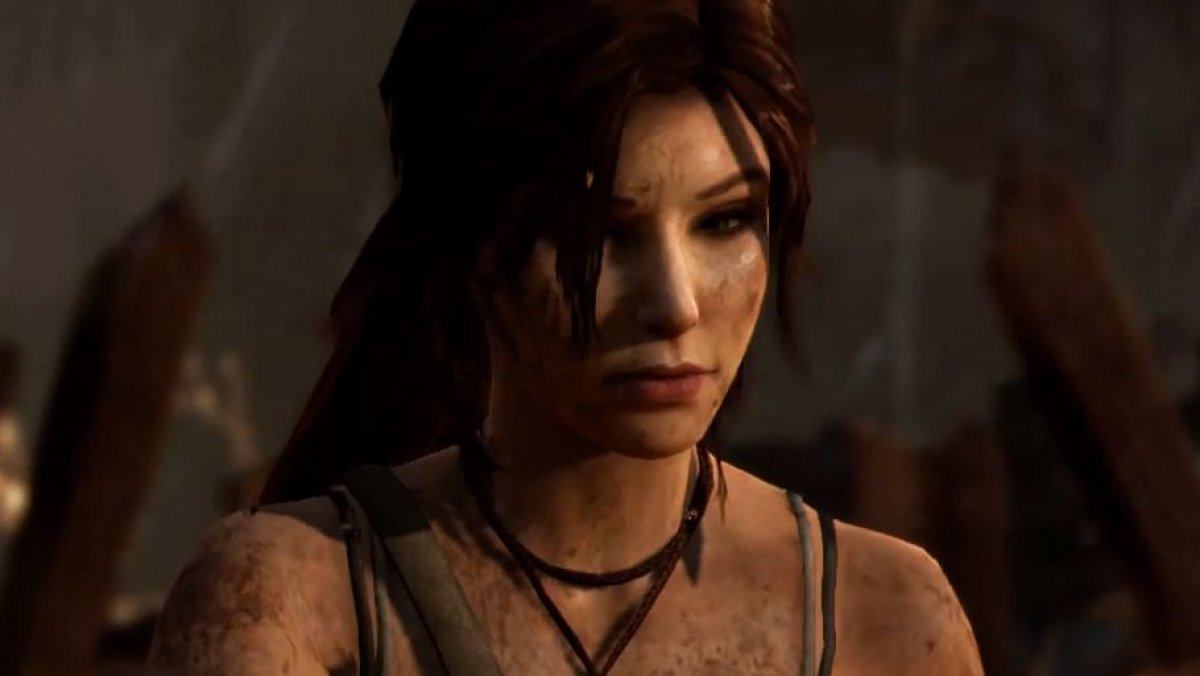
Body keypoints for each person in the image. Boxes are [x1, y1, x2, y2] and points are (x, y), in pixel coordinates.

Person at [147, 0, 984, 673]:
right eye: (599, 233)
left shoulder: (884, 619)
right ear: (468, 242)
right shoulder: (289, 604)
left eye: (725, 219)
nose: (676, 304)